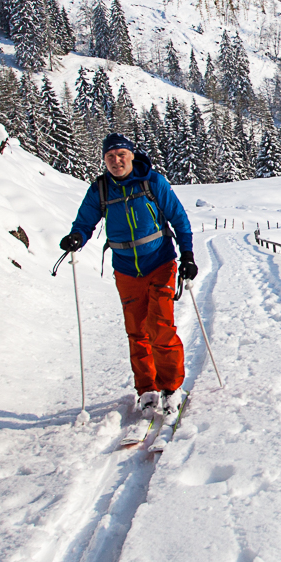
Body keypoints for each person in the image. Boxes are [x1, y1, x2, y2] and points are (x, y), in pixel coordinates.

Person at [60, 133, 197, 416]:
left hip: (160, 263)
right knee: (136, 331)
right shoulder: (100, 190)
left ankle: (171, 388)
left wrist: (188, 256)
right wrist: (76, 237)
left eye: (121, 154)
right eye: (110, 157)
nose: (116, 161)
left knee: (160, 327)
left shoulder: (152, 182)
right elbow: (85, 220)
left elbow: (179, 219)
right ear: (104, 161)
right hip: (125, 270)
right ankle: (146, 389)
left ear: (132, 155)